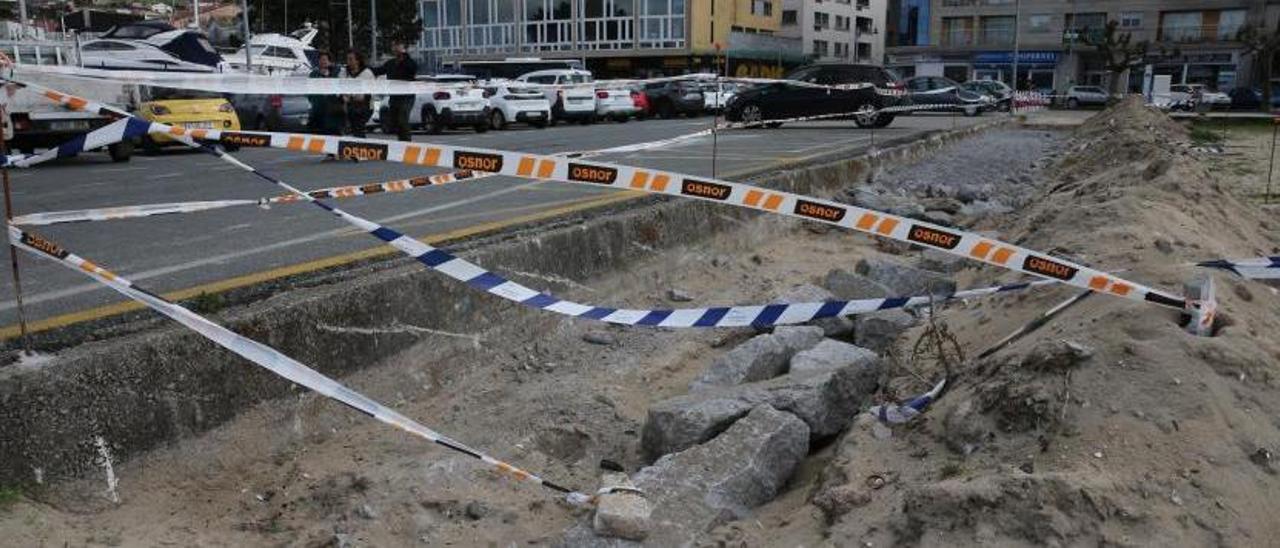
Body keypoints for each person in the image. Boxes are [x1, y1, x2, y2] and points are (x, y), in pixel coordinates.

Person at [373, 41, 418, 142]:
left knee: (403, 118)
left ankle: (407, 143)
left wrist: (404, 56)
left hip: (407, 96)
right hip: (394, 97)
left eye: (398, 45)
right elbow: (378, 71)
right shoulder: (391, 63)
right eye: (393, 46)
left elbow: (413, 69)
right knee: (395, 122)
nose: (395, 48)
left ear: (403, 47)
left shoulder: (409, 62)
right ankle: (401, 141)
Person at [307, 51, 343, 137]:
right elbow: (309, 92)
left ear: (330, 61)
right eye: (321, 59)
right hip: (317, 111)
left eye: (325, 60)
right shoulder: (313, 74)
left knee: (334, 135)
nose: (323, 62)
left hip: (333, 112)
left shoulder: (335, 73)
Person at [344, 50, 375, 142]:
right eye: (347, 59)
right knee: (355, 130)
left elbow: (371, 91)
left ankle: (362, 150)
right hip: (350, 106)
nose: (348, 62)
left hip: (365, 106)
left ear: (357, 61)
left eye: (351, 59)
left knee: (359, 128)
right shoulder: (345, 73)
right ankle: (358, 151)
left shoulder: (367, 73)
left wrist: (357, 96)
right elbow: (341, 89)